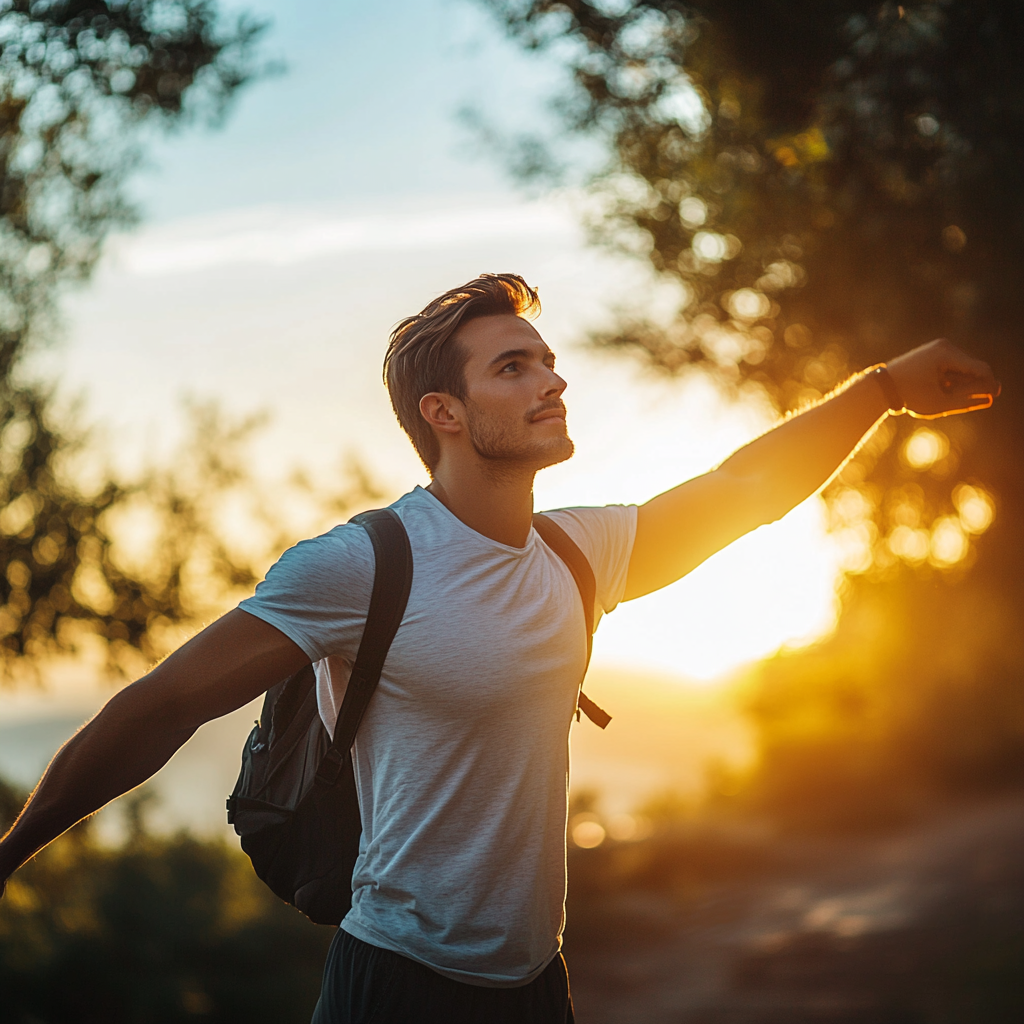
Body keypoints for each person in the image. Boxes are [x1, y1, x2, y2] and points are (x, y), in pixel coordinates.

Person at [0, 274, 999, 1022]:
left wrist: (882, 390)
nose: (552, 380)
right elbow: (165, 703)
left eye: (547, 360)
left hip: (534, 984)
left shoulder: (576, 552)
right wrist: (9, 856)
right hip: (395, 983)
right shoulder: (361, 565)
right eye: (513, 367)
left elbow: (747, 489)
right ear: (444, 413)